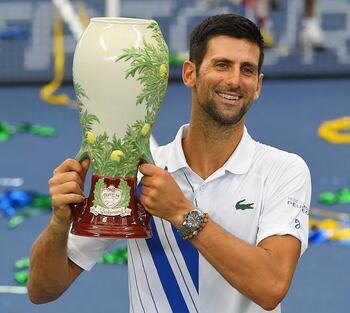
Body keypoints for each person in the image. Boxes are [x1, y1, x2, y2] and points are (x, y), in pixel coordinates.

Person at [28, 14, 311, 313]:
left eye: (247, 70)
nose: (234, 80)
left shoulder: (284, 170)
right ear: (190, 73)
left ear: (258, 86)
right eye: (222, 65)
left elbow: (271, 287)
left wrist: (180, 212)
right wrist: (59, 223)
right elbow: (42, 289)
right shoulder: (134, 176)